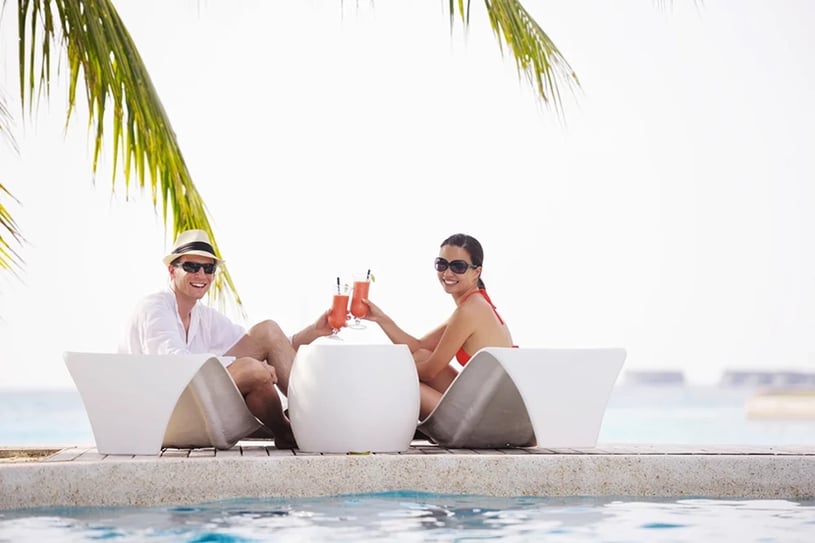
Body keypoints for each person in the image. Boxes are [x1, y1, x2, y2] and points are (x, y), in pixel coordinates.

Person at [119, 229, 334, 448]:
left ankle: (296, 429)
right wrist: (249, 367)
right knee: (253, 371)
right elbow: (174, 366)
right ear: (172, 271)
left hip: (196, 404)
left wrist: (315, 330)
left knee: (267, 332)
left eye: (208, 268)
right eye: (192, 267)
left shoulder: (204, 316)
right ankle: (307, 427)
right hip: (164, 413)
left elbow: (274, 347)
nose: (201, 275)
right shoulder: (155, 308)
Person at [362, 233, 514, 419]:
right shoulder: (474, 304)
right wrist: (381, 318)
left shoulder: (470, 311)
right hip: (484, 406)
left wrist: (386, 368)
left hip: (486, 420)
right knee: (420, 355)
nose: (447, 273)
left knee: (402, 382)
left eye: (458, 266)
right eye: (442, 264)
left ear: (476, 272)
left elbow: (430, 372)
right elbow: (419, 347)